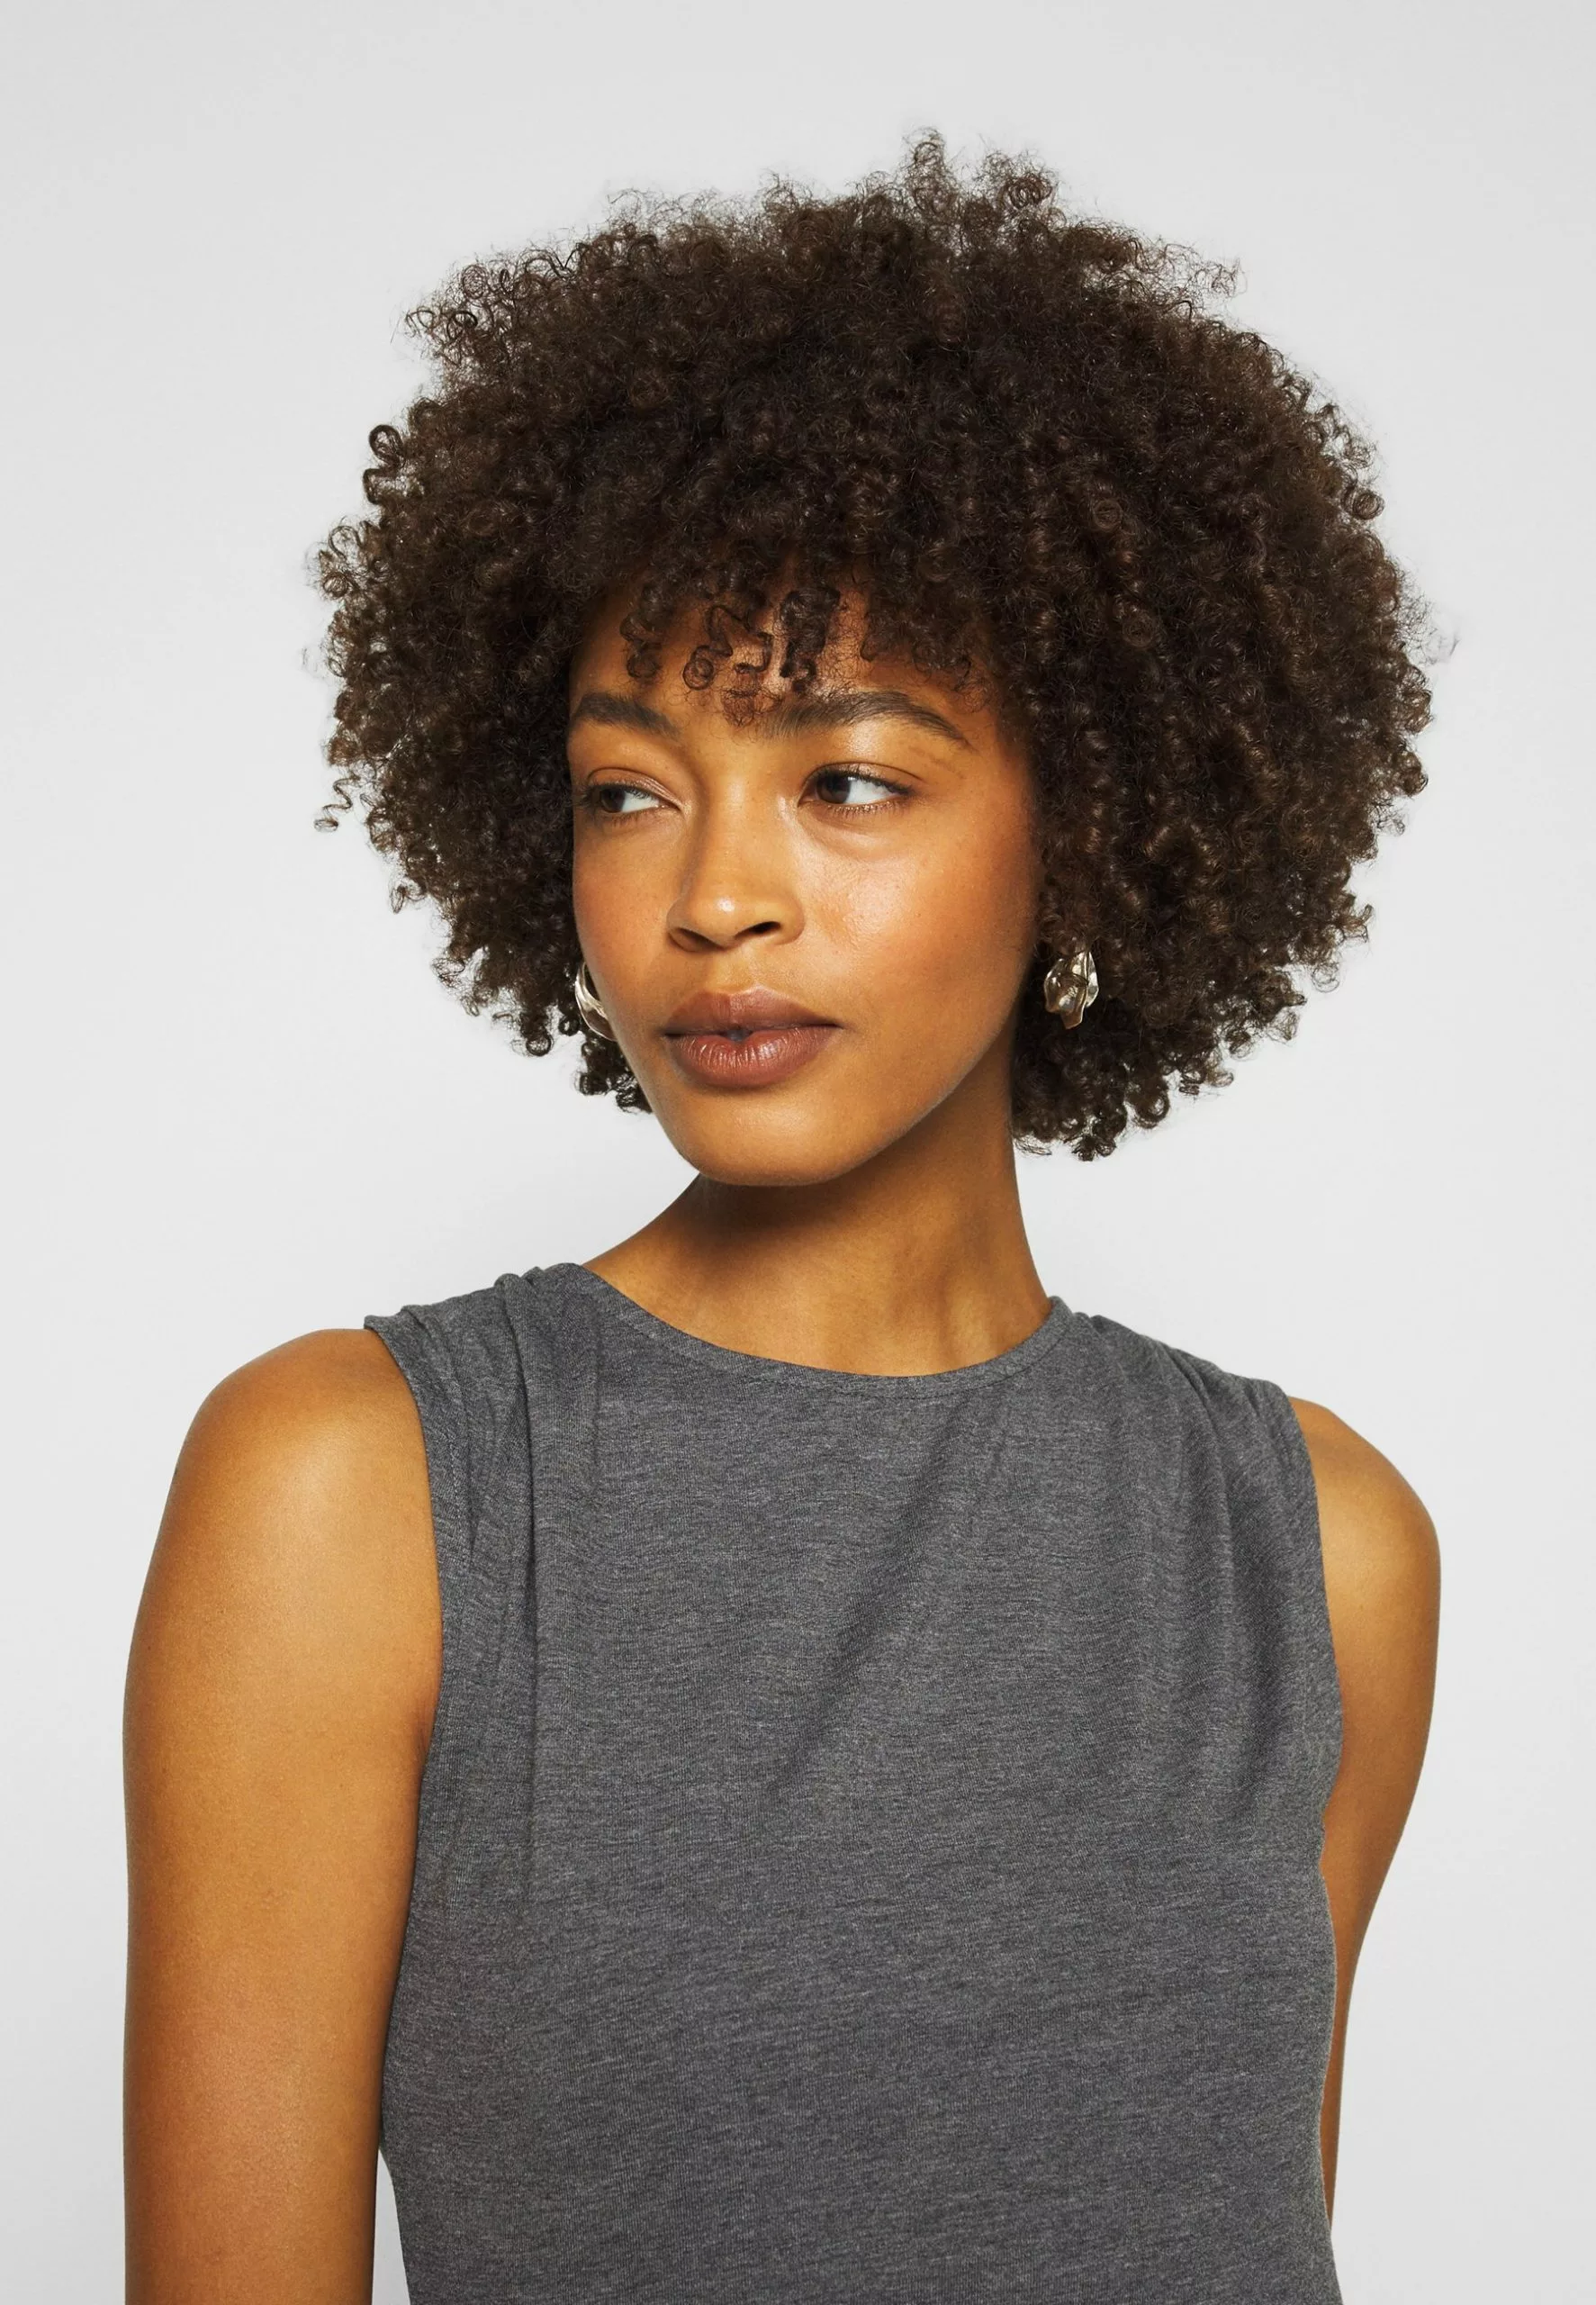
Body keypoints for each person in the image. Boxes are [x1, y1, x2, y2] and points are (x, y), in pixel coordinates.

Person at [123, 137, 1440, 2303]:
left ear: (1090, 820)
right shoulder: (362, 1491)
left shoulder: (1313, 1548)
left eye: (847, 779)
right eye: (628, 789)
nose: (713, 894)